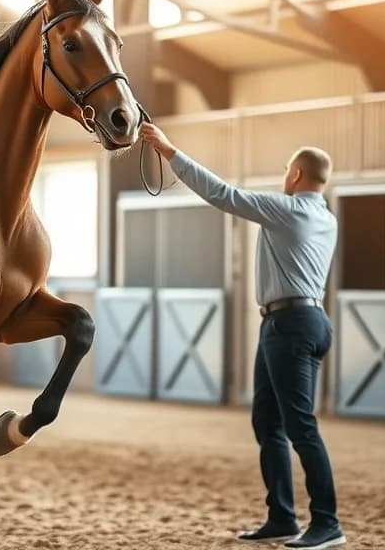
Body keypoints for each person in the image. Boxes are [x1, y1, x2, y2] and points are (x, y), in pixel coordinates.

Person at [141, 123, 346, 550]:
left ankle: (327, 523)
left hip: (288, 326)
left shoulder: (289, 210)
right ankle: (282, 516)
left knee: (299, 427)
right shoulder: (325, 217)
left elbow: (223, 195)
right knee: (268, 422)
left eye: (287, 169)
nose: (284, 174)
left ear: (295, 176)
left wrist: (169, 150)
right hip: (296, 322)